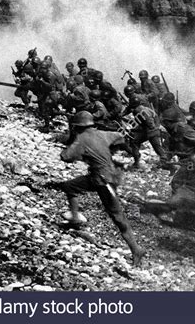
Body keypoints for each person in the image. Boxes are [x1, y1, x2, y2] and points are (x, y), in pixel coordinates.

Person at [59, 111, 145, 266]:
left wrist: (71, 141)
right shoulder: (103, 134)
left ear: (77, 126)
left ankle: (136, 249)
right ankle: (75, 218)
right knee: (70, 186)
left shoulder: (82, 139)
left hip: (104, 180)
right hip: (104, 176)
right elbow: (120, 136)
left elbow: (65, 156)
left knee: (117, 215)